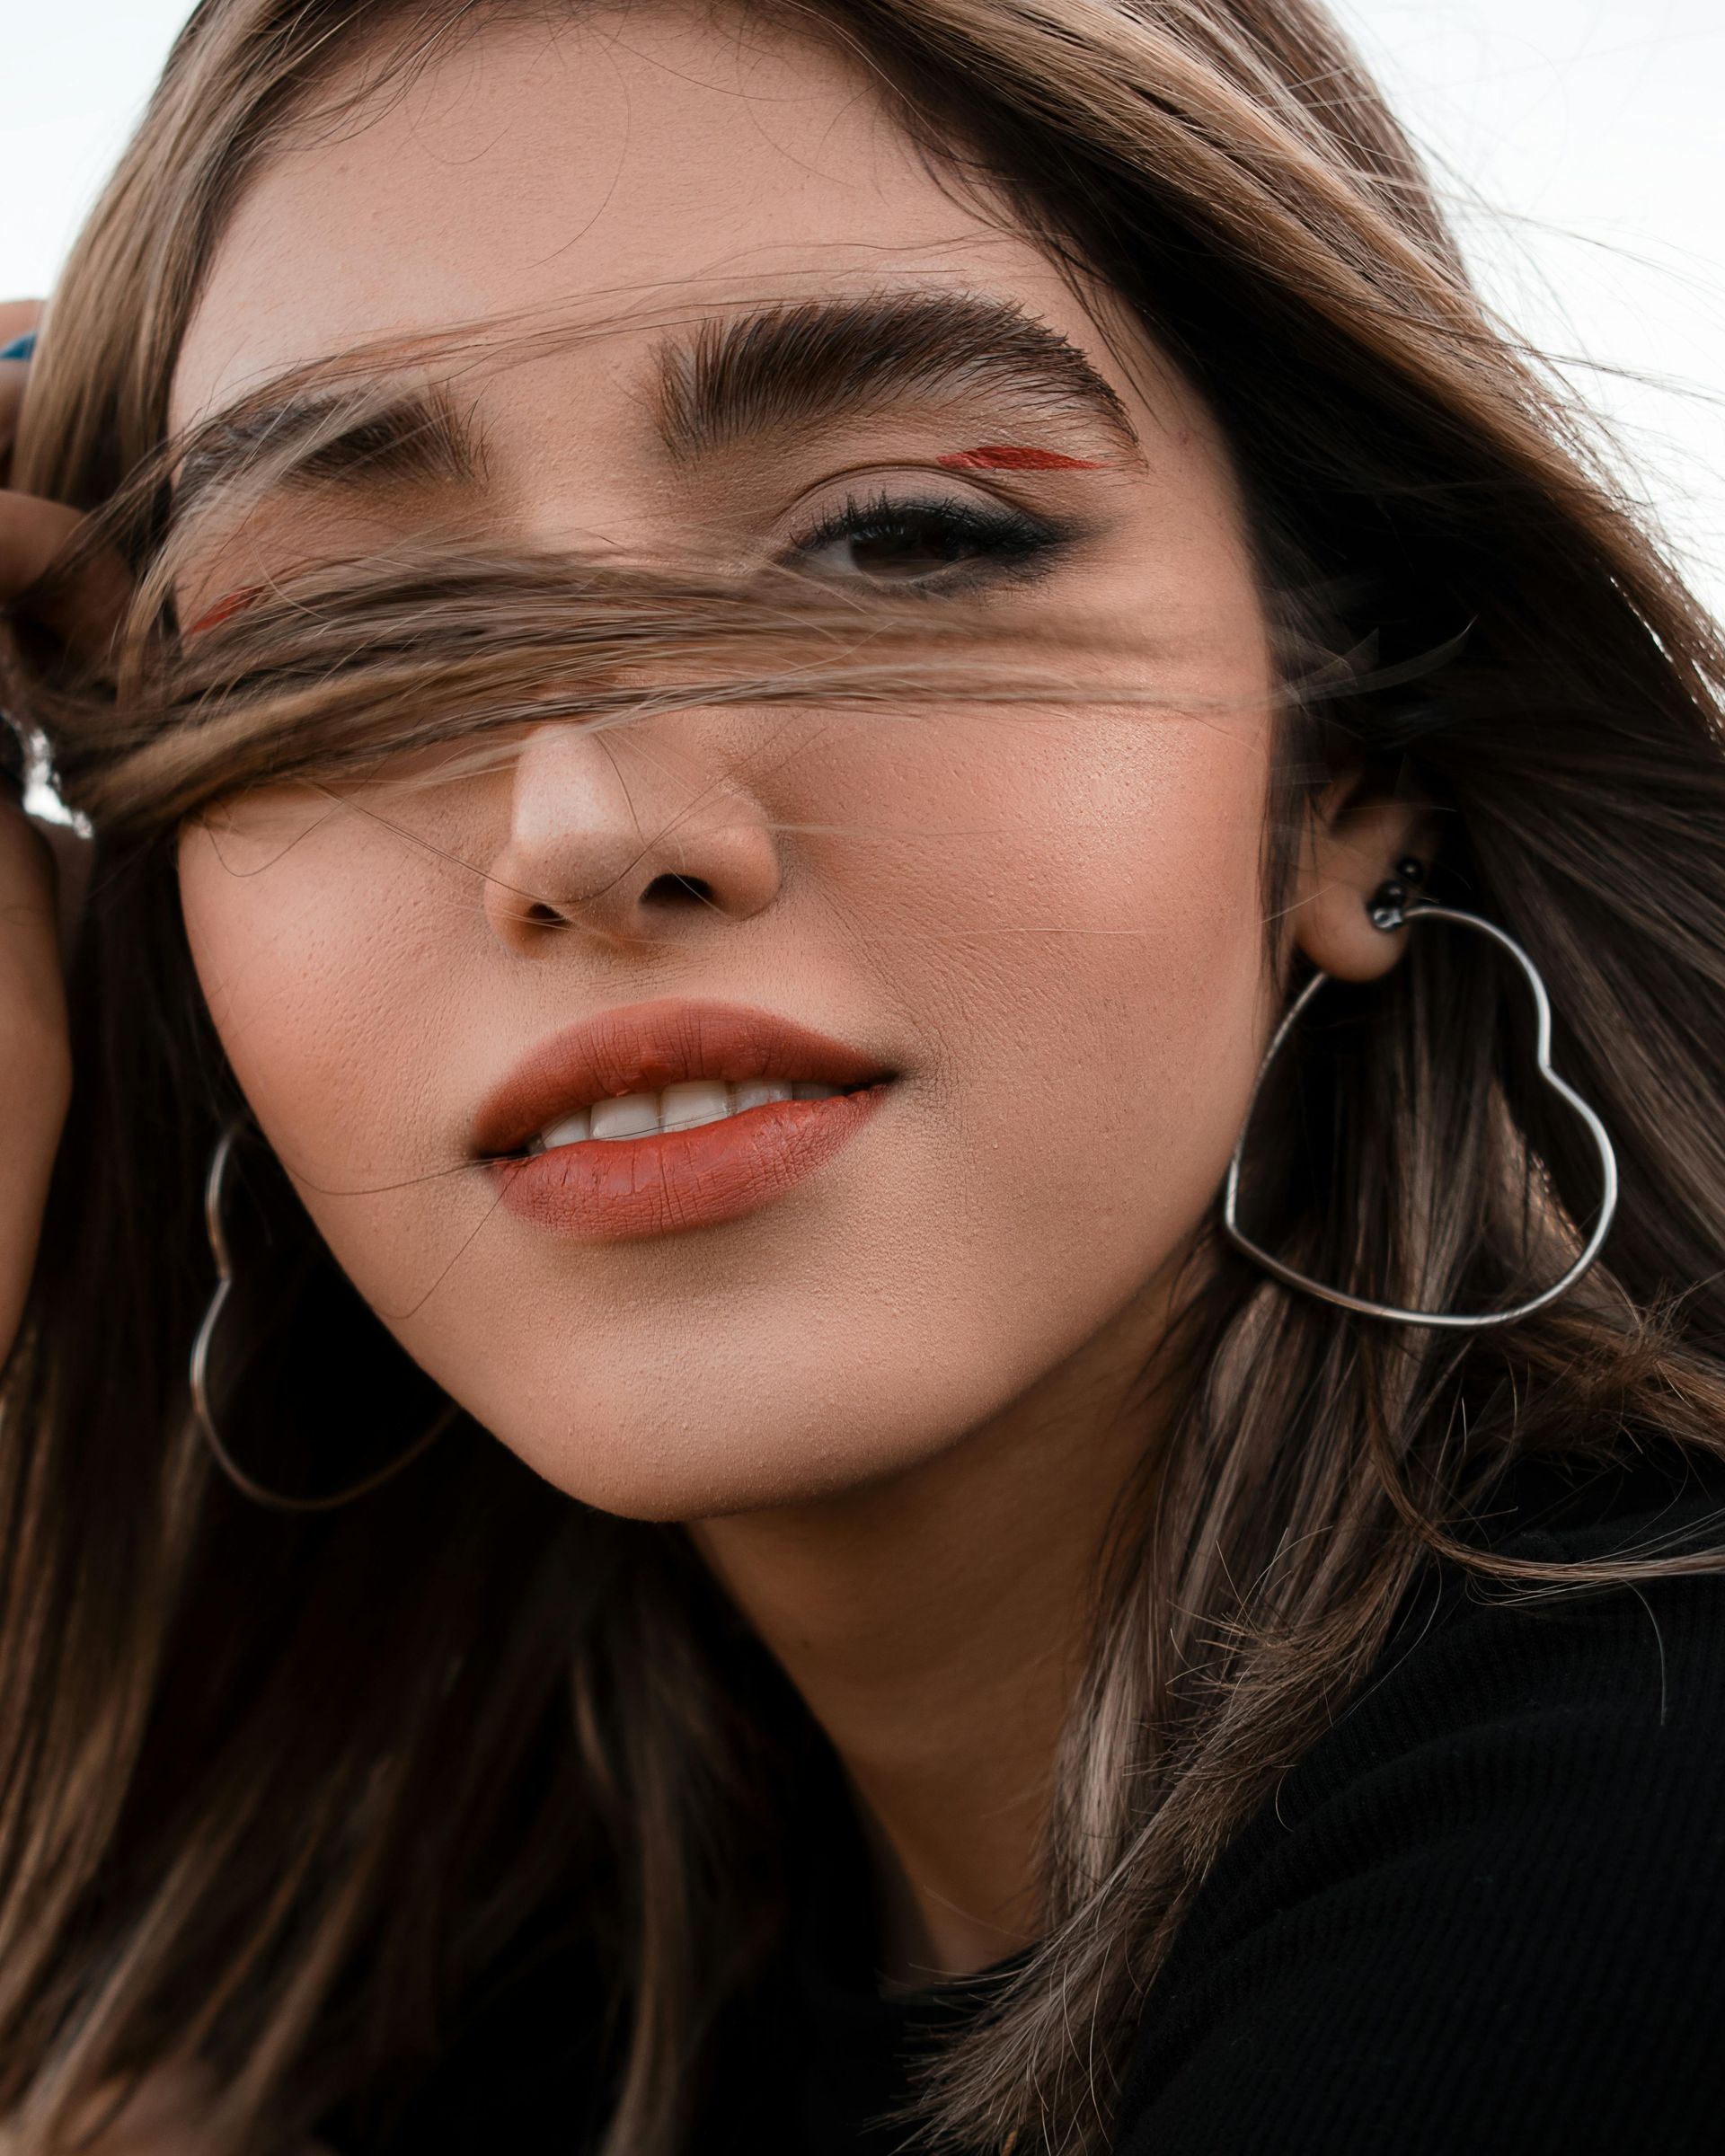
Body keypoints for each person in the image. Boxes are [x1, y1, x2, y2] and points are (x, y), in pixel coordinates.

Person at [2, 2, 1723, 2151]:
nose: (588, 827)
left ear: (1360, 768)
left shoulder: (1649, 1836)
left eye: (903, 536)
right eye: (338, 644)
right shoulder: (439, 1998)